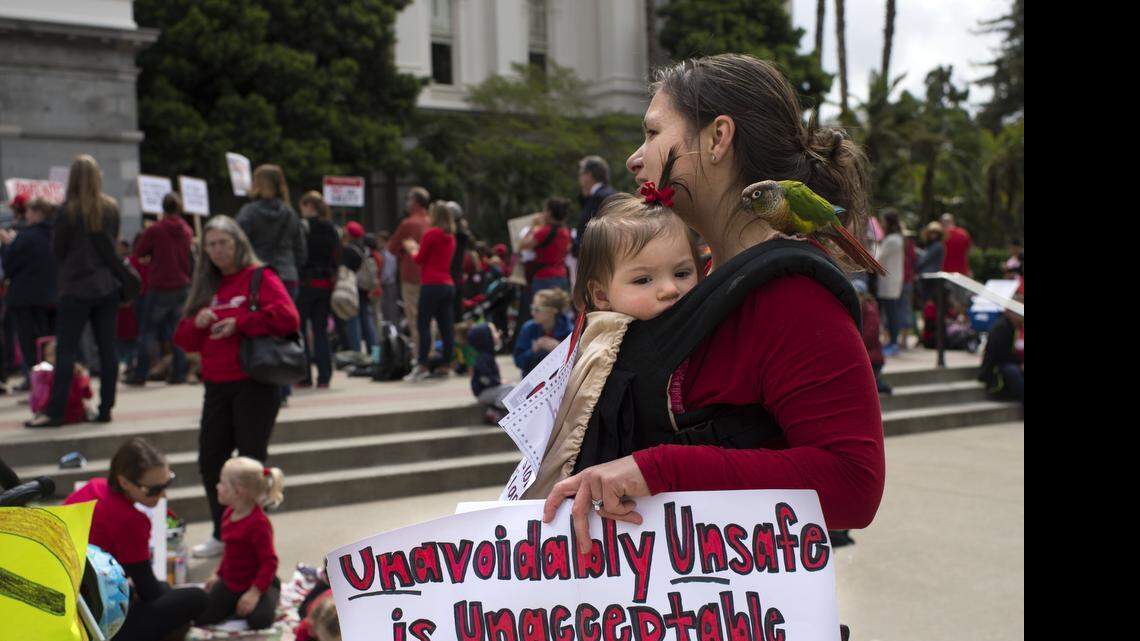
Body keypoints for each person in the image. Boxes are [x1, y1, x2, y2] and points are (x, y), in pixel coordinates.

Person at [539, 54, 884, 548]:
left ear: (718, 138)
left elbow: (853, 484)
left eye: (654, 134)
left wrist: (655, 469)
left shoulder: (791, 297)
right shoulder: (695, 284)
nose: (636, 159)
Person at [525, 194, 703, 498]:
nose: (670, 289)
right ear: (602, 295)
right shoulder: (604, 356)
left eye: (683, 273)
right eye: (644, 279)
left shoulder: (700, 331)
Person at [174, 216, 299, 558]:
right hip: (217, 385)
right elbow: (183, 340)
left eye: (223, 243)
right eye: (210, 244)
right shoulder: (206, 284)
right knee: (211, 460)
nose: (217, 250)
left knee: (249, 465)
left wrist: (240, 322)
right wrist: (196, 324)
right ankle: (223, 531)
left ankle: (250, 535)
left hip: (254, 384)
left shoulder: (260, 276)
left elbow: (289, 318)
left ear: (238, 244)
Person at [64, 437, 208, 640]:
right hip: (93, 624)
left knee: (164, 589)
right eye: (154, 490)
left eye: (168, 482)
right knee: (196, 598)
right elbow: (149, 590)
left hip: (74, 599)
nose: (164, 495)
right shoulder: (130, 520)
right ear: (124, 482)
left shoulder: (94, 487)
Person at [26, 154, 122, 428]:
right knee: (107, 350)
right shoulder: (111, 208)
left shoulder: (66, 211)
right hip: (106, 287)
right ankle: (106, 408)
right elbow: (112, 244)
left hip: (75, 287)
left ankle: (56, 411)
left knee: (66, 350)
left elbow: (58, 251)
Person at [197, 457, 284, 630]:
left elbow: (269, 562)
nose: (217, 486)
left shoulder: (258, 524)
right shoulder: (228, 514)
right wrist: (218, 573)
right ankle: (236, 606)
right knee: (202, 617)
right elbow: (229, 552)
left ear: (238, 491)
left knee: (260, 620)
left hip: (255, 582)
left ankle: (272, 589)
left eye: (222, 483)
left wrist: (254, 593)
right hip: (232, 582)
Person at [126, 192, 194, 386]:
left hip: (161, 285)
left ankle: (140, 373)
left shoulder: (155, 230)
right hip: (182, 285)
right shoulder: (186, 230)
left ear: (162, 208)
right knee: (177, 332)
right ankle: (179, 373)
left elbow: (139, 253)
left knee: (148, 331)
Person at [0, 197, 58, 391]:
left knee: (29, 344)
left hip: (25, 299)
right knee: (49, 342)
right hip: (52, 298)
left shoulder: (26, 236)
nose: (26, 216)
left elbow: (9, 266)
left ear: (37, 213)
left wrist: (8, 245)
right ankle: (50, 381)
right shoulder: (56, 234)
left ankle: (36, 383)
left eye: (29, 212)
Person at [403, 201, 457, 381]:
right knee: (446, 326)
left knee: (423, 324)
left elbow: (419, 258)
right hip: (447, 284)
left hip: (431, 284)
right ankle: (446, 364)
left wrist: (412, 249)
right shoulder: (450, 236)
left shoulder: (431, 233)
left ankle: (422, 364)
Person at [236, 165, 306, 296]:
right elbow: (300, 250)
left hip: (258, 276)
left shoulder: (248, 212)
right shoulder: (291, 213)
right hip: (288, 277)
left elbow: (237, 242)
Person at [296, 191, 340, 388]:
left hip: (305, 283)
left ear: (308, 206)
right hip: (325, 284)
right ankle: (324, 377)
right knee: (321, 332)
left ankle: (304, 376)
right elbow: (336, 255)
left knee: (301, 331)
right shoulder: (331, 228)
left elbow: (299, 254)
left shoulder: (303, 227)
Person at [387, 187, 431, 361]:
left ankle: (420, 355)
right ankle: (431, 352)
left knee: (414, 317)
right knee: (430, 318)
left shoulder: (408, 224)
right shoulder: (432, 221)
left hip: (411, 275)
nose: (406, 203)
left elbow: (391, 247)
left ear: (415, 202)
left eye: (408, 199)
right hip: (430, 276)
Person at [512, 288, 572, 378]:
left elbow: (575, 363)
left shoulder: (568, 330)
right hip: (533, 381)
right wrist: (533, 350)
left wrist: (559, 348)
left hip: (559, 380)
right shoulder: (528, 328)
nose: (532, 313)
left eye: (537, 309)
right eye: (532, 308)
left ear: (552, 311)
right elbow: (518, 361)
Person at [340, 221, 377, 354]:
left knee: (353, 322)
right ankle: (375, 355)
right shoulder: (366, 249)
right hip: (365, 288)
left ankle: (356, 353)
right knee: (368, 322)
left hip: (352, 290)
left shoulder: (348, 250)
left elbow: (344, 270)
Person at [978, 294, 1023, 404]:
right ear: (1009, 312)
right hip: (997, 366)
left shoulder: (1015, 326)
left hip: (1010, 361)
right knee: (1013, 371)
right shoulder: (1001, 327)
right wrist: (1020, 363)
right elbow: (1002, 355)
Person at [572, 155, 617, 259]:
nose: (579, 178)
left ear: (589, 175)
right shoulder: (605, 194)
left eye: (581, 174)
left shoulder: (600, 197)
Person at [468, 322, 512, 423]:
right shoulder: (483, 358)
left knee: (509, 387)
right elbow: (485, 378)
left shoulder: (488, 355)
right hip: (483, 393)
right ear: (486, 338)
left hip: (488, 390)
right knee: (510, 388)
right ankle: (494, 411)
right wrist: (498, 382)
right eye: (494, 332)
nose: (498, 334)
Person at [854, 279, 891, 395]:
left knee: (871, 385)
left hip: (872, 357)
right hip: (870, 355)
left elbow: (871, 333)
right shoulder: (864, 308)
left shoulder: (869, 310)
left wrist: (856, 344)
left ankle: (883, 387)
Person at [875, 211, 905, 356]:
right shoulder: (896, 238)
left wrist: (874, 245)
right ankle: (892, 341)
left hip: (889, 282)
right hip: (891, 281)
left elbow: (877, 258)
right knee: (891, 313)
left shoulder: (892, 240)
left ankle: (894, 343)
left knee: (891, 314)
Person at [377, 230, 401, 328]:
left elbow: (389, 270)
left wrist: (382, 280)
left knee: (390, 307)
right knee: (385, 308)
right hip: (387, 282)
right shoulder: (383, 252)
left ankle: (394, 329)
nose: (378, 243)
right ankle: (388, 329)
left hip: (388, 283)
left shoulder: (389, 253)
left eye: (379, 241)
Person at [915, 221, 944, 302]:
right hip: (926, 277)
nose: (933, 234)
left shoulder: (937, 245)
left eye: (935, 232)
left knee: (926, 302)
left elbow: (924, 259)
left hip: (930, 278)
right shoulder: (931, 245)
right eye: (931, 232)